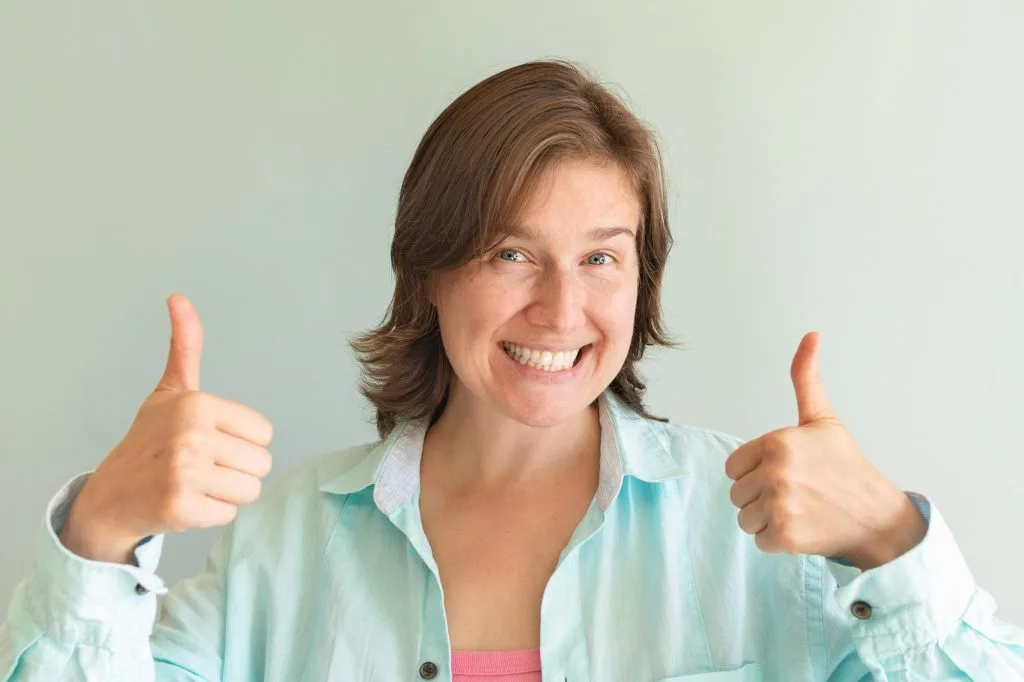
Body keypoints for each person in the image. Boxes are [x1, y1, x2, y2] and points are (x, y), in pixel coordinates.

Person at [1, 59, 1022, 682]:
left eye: (600, 257)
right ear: (430, 270)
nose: (562, 310)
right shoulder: (288, 541)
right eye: (509, 252)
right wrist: (99, 533)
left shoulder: (757, 530)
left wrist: (893, 540)